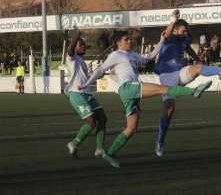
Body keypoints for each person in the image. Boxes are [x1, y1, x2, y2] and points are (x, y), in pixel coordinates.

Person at [79, 30, 213, 168]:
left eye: (129, 39)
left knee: (131, 129)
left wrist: (161, 40)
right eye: (126, 39)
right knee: (163, 88)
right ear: (118, 43)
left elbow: (150, 56)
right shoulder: (115, 54)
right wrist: (86, 84)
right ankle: (193, 91)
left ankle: (110, 153)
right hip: (128, 87)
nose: (129, 41)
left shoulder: (132, 55)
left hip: (129, 92)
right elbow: (100, 70)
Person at [154, 10, 221, 157]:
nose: (185, 34)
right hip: (167, 75)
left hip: (180, 72)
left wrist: (197, 59)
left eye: (186, 31)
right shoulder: (168, 37)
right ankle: (160, 140)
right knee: (169, 110)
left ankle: (220, 71)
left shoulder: (184, 39)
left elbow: (188, 48)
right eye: (183, 31)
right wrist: (173, 19)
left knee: (199, 68)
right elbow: (168, 34)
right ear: (176, 29)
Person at [65, 26, 108, 159]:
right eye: (80, 45)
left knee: (103, 118)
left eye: (84, 45)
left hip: (87, 95)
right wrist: (76, 35)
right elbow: (70, 49)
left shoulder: (82, 61)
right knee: (91, 123)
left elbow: (89, 78)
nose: (83, 47)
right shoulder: (71, 59)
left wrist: (101, 73)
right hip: (76, 95)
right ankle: (74, 144)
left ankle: (99, 149)